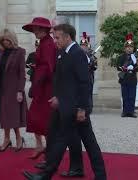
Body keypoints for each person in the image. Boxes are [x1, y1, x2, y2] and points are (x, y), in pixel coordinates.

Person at [23, 23, 107, 180]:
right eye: (54, 37)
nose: (55, 40)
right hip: (64, 105)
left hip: (75, 108)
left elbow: (85, 83)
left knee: (79, 142)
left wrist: (82, 108)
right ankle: (55, 172)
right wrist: (57, 96)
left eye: (58, 37)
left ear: (68, 37)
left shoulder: (78, 54)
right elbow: (61, 80)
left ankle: (47, 175)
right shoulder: (62, 53)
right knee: (59, 138)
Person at [33, 16, 85, 178]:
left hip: (70, 102)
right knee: (57, 132)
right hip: (60, 98)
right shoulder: (60, 49)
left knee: (70, 136)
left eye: (55, 29)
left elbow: (82, 82)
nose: (52, 32)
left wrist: (81, 107)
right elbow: (58, 76)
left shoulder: (73, 51)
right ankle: (50, 166)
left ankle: (61, 168)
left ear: (65, 31)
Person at [22, 17, 56, 159]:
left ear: (44, 30)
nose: (34, 32)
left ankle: (49, 150)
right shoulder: (43, 43)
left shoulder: (48, 44)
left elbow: (49, 68)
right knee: (36, 117)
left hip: (45, 87)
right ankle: (40, 145)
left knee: (44, 119)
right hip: (41, 86)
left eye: (37, 29)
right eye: (34, 29)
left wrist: (36, 85)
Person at [0, 28, 27, 152]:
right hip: (0, 88)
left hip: (14, 89)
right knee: (3, 115)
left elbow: (22, 73)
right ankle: (7, 139)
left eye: (7, 40)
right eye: (3, 40)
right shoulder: (1, 52)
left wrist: (20, 91)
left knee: (12, 116)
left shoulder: (20, 52)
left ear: (12, 39)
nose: (5, 42)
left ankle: (17, 138)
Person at [117, 33, 138, 118]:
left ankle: (131, 112)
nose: (129, 48)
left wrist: (133, 68)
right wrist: (124, 68)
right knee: (125, 96)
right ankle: (125, 112)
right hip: (124, 78)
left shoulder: (136, 57)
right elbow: (118, 67)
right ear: (125, 48)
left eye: (131, 47)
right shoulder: (121, 57)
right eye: (128, 47)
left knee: (132, 96)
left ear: (133, 48)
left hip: (132, 78)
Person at [80, 32, 98, 114]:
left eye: (85, 45)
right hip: (80, 77)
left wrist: (90, 62)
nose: (83, 47)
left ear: (88, 46)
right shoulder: (78, 54)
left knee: (89, 93)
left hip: (89, 76)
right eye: (82, 45)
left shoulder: (92, 55)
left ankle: (89, 108)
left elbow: (95, 67)